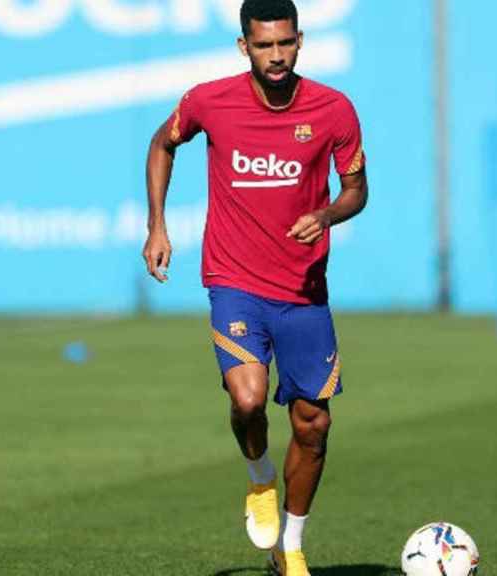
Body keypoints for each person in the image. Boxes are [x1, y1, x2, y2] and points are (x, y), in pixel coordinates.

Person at [142, 0, 367, 573]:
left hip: (304, 291)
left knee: (313, 425)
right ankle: (260, 475)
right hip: (235, 281)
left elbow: (356, 190)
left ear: (299, 40)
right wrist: (158, 225)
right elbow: (162, 143)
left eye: (285, 43)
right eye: (264, 45)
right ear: (245, 46)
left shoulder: (334, 109)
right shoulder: (208, 101)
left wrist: (328, 215)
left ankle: (290, 549)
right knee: (246, 399)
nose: (276, 55)